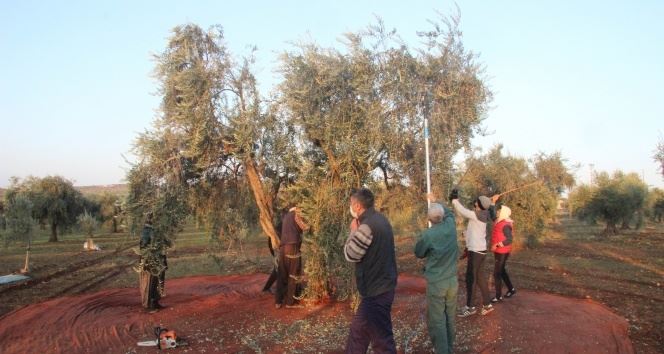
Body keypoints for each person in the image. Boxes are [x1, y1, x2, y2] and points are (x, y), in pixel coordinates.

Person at [344, 188, 398, 354]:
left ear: (358, 206)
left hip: (376, 291)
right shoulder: (381, 219)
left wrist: (353, 230)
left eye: (352, 204)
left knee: (381, 340)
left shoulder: (367, 226)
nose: (351, 208)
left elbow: (350, 254)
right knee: (358, 332)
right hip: (382, 286)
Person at [414, 203, 458, 354]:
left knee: (437, 319)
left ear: (429, 218)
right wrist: (436, 200)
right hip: (452, 281)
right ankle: (449, 348)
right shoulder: (451, 225)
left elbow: (419, 252)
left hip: (437, 283)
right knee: (450, 316)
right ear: (443, 216)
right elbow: (450, 213)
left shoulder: (428, 234)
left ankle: (442, 350)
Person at [449, 189, 495, 317]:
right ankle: (487, 305)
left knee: (471, 280)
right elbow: (474, 230)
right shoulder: (484, 213)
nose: (475, 202)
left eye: (477, 201)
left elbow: (462, 211)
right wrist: (492, 203)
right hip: (481, 251)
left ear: (478, 205)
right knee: (480, 279)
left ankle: (470, 307)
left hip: (476, 252)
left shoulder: (477, 215)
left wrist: (454, 200)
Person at [275, 207, 309, 308]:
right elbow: (304, 227)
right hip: (293, 246)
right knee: (293, 274)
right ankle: (290, 303)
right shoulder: (296, 214)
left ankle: (278, 301)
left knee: (282, 274)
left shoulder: (285, 216)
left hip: (283, 248)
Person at [138, 213, 169, 312]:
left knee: (157, 280)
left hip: (157, 260)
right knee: (151, 281)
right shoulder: (147, 231)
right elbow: (144, 248)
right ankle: (150, 304)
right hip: (150, 261)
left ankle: (155, 302)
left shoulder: (155, 230)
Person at [490, 205, 516, 302]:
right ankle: (511, 289)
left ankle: (498, 296)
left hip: (502, 252)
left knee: (497, 273)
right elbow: (492, 215)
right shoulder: (499, 221)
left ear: (503, 213)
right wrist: (492, 203)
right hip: (499, 251)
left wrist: (496, 245)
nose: (497, 212)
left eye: (499, 211)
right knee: (502, 271)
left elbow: (509, 240)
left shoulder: (506, 224)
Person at [262, 210, 286, 294]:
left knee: (278, 271)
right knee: (278, 271)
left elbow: (269, 242)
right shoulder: (283, 227)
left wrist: (273, 253)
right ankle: (278, 291)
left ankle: (267, 288)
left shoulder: (277, 227)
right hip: (280, 251)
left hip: (277, 251)